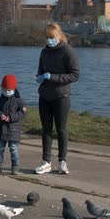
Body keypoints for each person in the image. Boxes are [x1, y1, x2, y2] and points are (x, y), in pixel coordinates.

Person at [34, 23, 79, 175]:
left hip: (61, 96)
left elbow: (75, 75)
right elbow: (40, 71)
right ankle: (46, 161)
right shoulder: (43, 52)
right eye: (47, 37)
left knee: (61, 129)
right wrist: (39, 77)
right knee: (46, 129)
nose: (49, 40)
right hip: (44, 95)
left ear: (59, 36)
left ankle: (62, 161)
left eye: (52, 37)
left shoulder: (68, 51)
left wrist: (52, 77)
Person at [0, 74, 27, 175]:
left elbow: (23, 113)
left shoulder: (19, 101)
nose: (7, 91)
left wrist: (10, 117)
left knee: (14, 149)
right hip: (0, 130)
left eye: (9, 89)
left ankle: (15, 167)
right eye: (5, 89)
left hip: (14, 131)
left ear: (14, 89)